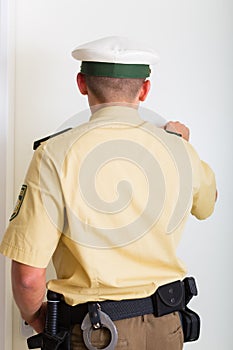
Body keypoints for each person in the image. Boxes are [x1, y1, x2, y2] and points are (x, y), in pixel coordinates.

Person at [0, 36, 217, 350]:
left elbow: (27, 277)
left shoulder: (55, 154)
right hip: (168, 329)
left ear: (82, 84)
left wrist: (40, 320)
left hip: (98, 334)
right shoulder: (180, 150)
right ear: (144, 89)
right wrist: (184, 146)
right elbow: (208, 205)